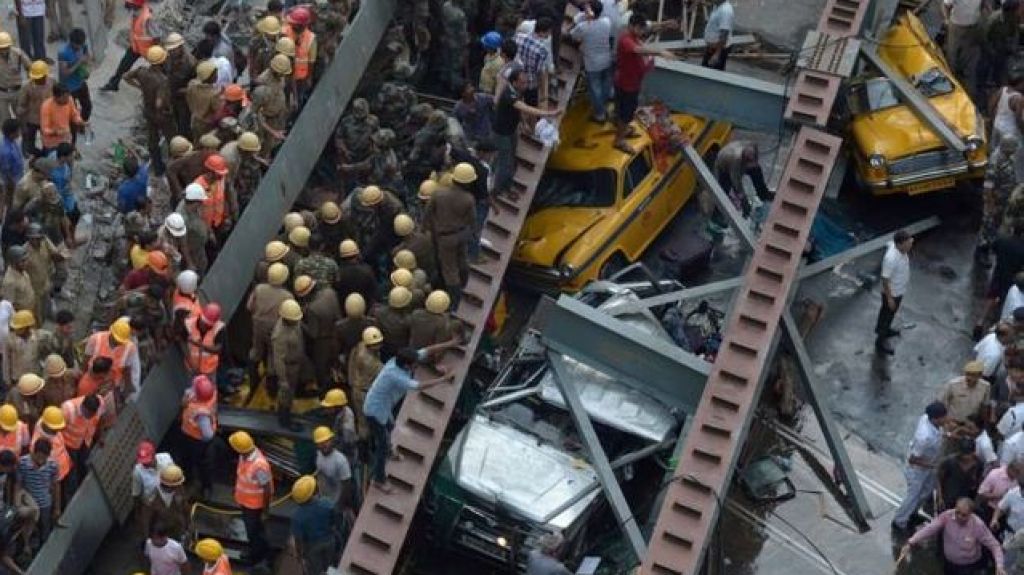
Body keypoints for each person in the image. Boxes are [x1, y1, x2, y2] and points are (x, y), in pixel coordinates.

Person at [363, 344, 457, 491]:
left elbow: (428, 350)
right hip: (374, 412)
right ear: (407, 365)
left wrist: (453, 341)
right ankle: (379, 480)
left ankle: (389, 450)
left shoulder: (399, 361)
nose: (417, 365)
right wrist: (444, 379)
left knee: (390, 427)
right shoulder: (396, 376)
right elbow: (419, 386)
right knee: (381, 445)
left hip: (384, 406)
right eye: (415, 364)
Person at [492, 69, 560, 199]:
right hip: (502, 133)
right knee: (505, 162)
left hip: (511, 130)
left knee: (511, 158)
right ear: (514, 82)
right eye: (523, 82)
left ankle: (507, 184)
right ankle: (498, 190)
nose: (526, 85)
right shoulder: (508, 95)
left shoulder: (517, 91)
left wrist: (523, 123)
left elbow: (518, 110)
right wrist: (550, 114)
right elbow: (525, 108)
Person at [613, 14, 674, 154]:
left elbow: (649, 31)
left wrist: (665, 24)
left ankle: (624, 129)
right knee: (626, 113)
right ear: (632, 26)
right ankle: (619, 140)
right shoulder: (626, 40)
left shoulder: (633, 37)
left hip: (628, 81)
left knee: (623, 110)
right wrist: (660, 52)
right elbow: (639, 50)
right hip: (627, 85)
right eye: (640, 29)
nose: (642, 32)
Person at [902, 498, 1006, 575]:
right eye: (957, 512)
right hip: (949, 563)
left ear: (970, 514)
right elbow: (930, 529)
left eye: (964, 515)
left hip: (967, 567)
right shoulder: (946, 516)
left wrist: (999, 566)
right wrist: (911, 542)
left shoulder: (978, 525)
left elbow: (994, 545)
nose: (959, 517)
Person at [893, 401, 949, 531]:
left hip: (929, 465)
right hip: (918, 469)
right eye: (943, 417)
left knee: (926, 491)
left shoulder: (927, 419)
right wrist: (933, 465)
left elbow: (939, 433)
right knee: (913, 495)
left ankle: (913, 513)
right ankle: (900, 521)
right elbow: (913, 459)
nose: (946, 419)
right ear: (936, 418)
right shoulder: (924, 438)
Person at [124, 45, 175, 175]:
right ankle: (174, 163)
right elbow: (159, 103)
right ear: (161, 62)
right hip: (161, 115)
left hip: (148, 111)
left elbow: (126, 76)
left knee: (153, 139)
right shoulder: (162, 81)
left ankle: (157, 167)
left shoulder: (141, 71)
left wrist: (140, 87)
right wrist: (166, 106)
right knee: (171, 139)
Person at [228, 431, 272, 567]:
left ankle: (258, 557)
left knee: (254, 532)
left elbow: (267, 488)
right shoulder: (245, 455)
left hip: (254, 506)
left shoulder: (259, 466)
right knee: (253, 531)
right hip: (245, 502)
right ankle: (258, 553)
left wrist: (265, 511)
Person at [101, 0, 159, 91]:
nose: (128, 5)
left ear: (137, 5)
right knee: (123, 65)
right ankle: (114, 84)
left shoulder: (147, 18)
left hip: (149, 50)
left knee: (158, 72)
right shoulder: (136, 13)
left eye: (130, 4)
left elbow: (157, 37)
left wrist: (156, 54)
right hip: (136, 47)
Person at [571, 1, 613, 123]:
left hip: (592, 63)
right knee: (605, 85)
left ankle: (600, 114)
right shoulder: (606, 22)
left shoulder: (583, 26)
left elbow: (572, 35)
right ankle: (604, 105)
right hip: (606, 59)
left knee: (595, 89)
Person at [713, 140, 774, 219]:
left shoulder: (750, 149)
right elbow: (737, 184)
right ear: (745, 161)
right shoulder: (736, 161)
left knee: (756, 171)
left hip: (737, 160)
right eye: (750, 165)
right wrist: (744, 201)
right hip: (724, 168)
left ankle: (763, 194)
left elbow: (754, 167)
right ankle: (717, 215)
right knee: (723, 191)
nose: (752, 166)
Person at [288, 475, 335, 575]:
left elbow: (298, 540)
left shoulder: (297, 517)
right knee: (331, 566)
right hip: (329, 541)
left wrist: (300, 556)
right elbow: (335, 519)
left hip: (312, 547)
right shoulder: (326, 503)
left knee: (315, 571)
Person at [875, 230, 913, 355]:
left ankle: (886, 330)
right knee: (886, 314)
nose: (910, 245)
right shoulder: (891, 259)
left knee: (891, 313)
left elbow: (889, 242)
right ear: (900, 244)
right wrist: (890, 298)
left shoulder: (899, 248)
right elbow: (885, 279)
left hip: (899, 290)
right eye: (908, 243)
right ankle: (880, 341)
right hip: (892, 293)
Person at [179, 375, 217, 496]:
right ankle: (190, 480)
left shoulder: (201, 413)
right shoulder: (210, 392)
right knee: (187, 460)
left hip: (198, 441)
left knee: (203, 464)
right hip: (188, 435)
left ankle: (205, 487)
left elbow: (207, 435)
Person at [942, 0, 986, 100]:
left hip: (973, 27)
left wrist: (981, 16)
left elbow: (983, 4)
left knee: (970, 58)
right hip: (957, 27)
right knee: (952, 58)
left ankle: (968, 92)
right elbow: (945, 5)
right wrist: (947, 20)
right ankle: (950, 86)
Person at [17, 438, 58, 543]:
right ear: (34, 452)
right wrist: (18, 503)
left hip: (45, 504)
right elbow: (18, 484)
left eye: (44, 457)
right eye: (39, 456)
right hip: (30, 505)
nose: (41, 460)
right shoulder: (23, 463)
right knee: (29, 531)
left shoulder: (53, 465)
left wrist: (56, 508)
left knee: (45, 529)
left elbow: (55, 486)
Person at [58, 29, 92, 124]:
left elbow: (87, 56)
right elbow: (64, 73)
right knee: (72, 111)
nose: (79, 47)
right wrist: (79, 62)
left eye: (81, 45)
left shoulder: (83, 46)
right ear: (71, 42)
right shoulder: (63, 53)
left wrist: (87, 67)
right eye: (77, 45)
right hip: (69, 87)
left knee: (87, 106)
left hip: (80, 83)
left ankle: (82, 123)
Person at [0, 33, 30, 126]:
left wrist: (30, 84)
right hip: (2, 92)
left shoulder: (18, 54)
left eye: (6, 47)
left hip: (17, 91)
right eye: (2, 48)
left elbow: (30, 67)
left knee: (21, 118)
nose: (4, 50)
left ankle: (24, 138)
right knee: (4, 121)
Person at [703, 0, 735, 70]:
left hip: (718, 49)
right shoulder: (717, 6)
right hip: (711, 48)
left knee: (712, 75)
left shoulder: (726, 11)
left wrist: (717, 54)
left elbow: (724, 34)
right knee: (704, 72)